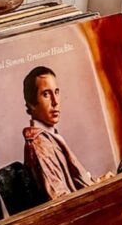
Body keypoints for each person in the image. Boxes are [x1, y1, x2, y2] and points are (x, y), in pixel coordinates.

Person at [21, 66, 98, 200]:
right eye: (46, 94)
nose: (55, 102)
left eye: (56, 92)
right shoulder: (40, 144)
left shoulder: (50, 137)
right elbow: (60, 201)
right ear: (32, 104)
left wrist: (100, 182)